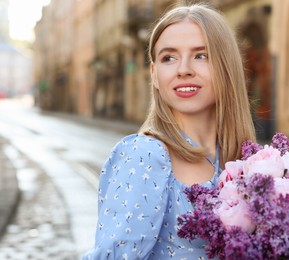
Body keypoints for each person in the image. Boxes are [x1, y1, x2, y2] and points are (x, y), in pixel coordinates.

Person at [83, 2, 256, 259]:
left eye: (201, 55)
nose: (183, 69)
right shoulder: (144, 155)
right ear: (154, 74)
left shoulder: (243, 160)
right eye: (169, 58)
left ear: (226, 67)